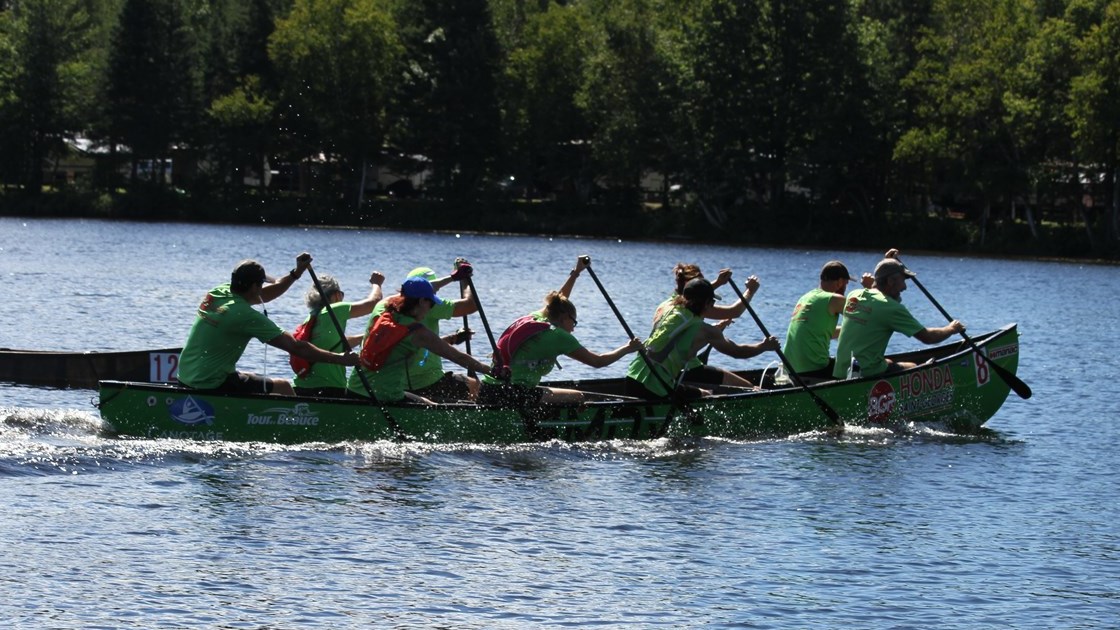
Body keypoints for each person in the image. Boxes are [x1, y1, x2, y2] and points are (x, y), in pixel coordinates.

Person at [177, 253, 359, 396]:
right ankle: (295, 426)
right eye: (261, 285)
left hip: (186, 375)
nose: (263, 289)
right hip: (211, 383)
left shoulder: (219, 292)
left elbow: (268, 293)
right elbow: (296, 347)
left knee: (249, 376)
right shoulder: (245, 315)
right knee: (284, 387)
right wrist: (340, 358)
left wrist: (296, 273)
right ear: (254, 287)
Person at [478, 256, 642, 406]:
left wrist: (576, 273)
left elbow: (559, 301)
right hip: (512, 395)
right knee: (578, 397)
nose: (573, 328)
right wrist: (628, 348)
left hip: (488, 389)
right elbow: (597, 362)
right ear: (564, 317)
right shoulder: (558, 336)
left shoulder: (536, 317)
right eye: (574, 322)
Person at [625, 278, 780, 401]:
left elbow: (683, 335)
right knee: (706, 394)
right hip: (657, 387)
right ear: (706, 304)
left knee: (695, 391)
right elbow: (737, 352)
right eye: (712, 302)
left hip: (632, 376)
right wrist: (763, 346)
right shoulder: (705, 331)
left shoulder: (669, 308)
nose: (712, 305)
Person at [346, 276, 491, 403]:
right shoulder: (417, 332)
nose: (430, 309)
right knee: (433, 409)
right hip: (384, 396)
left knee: (425, 401)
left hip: (355, 388)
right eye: (431, 304)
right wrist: (492, 371)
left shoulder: (385, 313)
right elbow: (458, 357)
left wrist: (452, 277)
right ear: (422, 301)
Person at [832, 249, 966, 379]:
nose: (905, 287)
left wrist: (887, 263)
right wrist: (951, 329)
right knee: (912, 367)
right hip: (865, 373)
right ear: (890, 281)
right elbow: (928, 337)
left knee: (888, 362)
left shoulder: (854, 295)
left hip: (841, 371)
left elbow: (878, 291)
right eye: (903, 280)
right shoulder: (891, 308)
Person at [657, 263, 762, 389]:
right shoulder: (694, 308)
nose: (711, 304)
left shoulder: (668, 304)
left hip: (659, 366)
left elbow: (687, 333)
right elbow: (734, 312)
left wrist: (718, 282)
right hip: (684, 369)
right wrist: (750, 291)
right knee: (750, 388)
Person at [291, 270, 385, 397]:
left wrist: (365, 337)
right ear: (335, 295)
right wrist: (377, 283)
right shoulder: (334, 309)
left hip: (301, 387)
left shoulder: (313, 316)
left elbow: (335, 343)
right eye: (341, 294)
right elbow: (373, 303)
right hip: (328, 388)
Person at [401, 260, 480, 402]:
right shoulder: (429, 304)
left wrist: (453, 338)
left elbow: (422, 344)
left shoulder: (396, 306)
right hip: (428, 381)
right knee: (475, 385)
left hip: (400, 382)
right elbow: (471, 305)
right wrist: (465, 280)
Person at [782, 260, 873, 381]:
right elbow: (869, 316)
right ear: (839, 282)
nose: (846, 288)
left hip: (790, 370)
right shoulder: (834, 299)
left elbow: (820, 331)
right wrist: (869, 289)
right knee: (863, 367)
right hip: (815, 369)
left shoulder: (805, 298)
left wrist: (849, 329)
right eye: (846, 284)